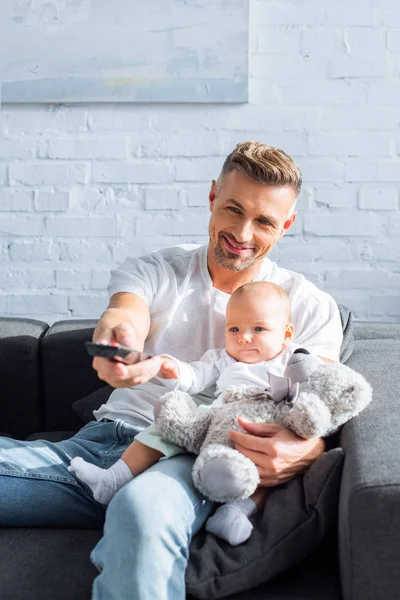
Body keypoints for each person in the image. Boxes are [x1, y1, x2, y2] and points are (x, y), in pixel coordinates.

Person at [0, 141, 343, 600]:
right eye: (232, 209)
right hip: (103, 444)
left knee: (140, 511)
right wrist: (115, 347)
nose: (242, 232)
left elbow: (319, 398)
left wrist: (310, 446)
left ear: (287, 224)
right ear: (211, 198)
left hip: (194, 457)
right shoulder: (157, 270)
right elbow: (124, 316)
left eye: (263, 221)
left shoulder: (310, 306)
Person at [69, 280, 315, 546]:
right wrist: (168, 367)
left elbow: (313, 385)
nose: (244, 337)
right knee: (165, 426)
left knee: (262, 467)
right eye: (234, 328)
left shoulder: (292, 358)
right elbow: (195, 376)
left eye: (258, 328)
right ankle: (113, 479)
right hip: (218, 417)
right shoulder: (223, 358)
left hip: (263, 424)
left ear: (286, 333)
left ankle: (236, 513)